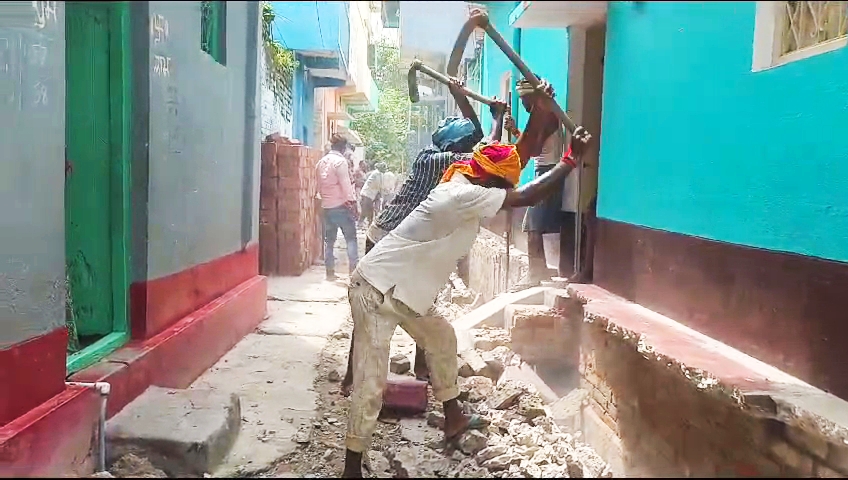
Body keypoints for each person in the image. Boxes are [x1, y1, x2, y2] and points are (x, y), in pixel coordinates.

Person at [342, 83, 592, 478]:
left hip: (403, 292)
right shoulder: (460, 195)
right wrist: (570, 159)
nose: (506, 190)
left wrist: (539, 113)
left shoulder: (470, 176)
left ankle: (454, 417)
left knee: (442, 339)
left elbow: (513, 156)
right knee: (371, 381)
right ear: (490, 184)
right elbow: (526, 195)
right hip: (374, 290)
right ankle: (351, 466)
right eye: (503, 186)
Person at [339, 78, 502, 397]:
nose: (470, 149)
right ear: (456, 148)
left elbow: (478, 139)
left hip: (398, 238)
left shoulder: (435, 153)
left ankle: (419, 370)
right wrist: (497, 119)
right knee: (380, 312)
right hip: (389, 239)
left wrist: (460, 97)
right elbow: (487, 154)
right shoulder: (439, 161)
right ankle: (357, 377)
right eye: (466, 146)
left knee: (420, 302)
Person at [507, 75, 577, 282]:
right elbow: (534, 144)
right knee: (534, 225)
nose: (523, 105)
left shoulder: (546, 116)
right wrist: (516, 131)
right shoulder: (548, 114)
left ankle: (535, 273)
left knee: (532, 226)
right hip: (548, 170)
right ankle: (539, 270)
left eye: (524, 100)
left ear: (532, 97)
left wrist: (517, 135)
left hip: (548, 171)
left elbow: (534, 149)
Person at [316, 133, 359, 281]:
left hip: (327, 207)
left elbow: (318, 187)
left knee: (329, 241)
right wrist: (354, 205)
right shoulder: (341, 162)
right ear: (343, 147)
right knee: (351, 239)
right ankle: (353, 273)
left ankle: (329, 273)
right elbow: (346, 187)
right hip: (341, 206)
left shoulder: (321, 163)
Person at [358, 163, 383, 229]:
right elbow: (379, 185)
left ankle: (361, 224)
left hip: (368, 194)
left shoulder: (377, 173)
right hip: (368, 194)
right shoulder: (377, 174)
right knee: (369, 210)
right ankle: (368, 224)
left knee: (365, 210)